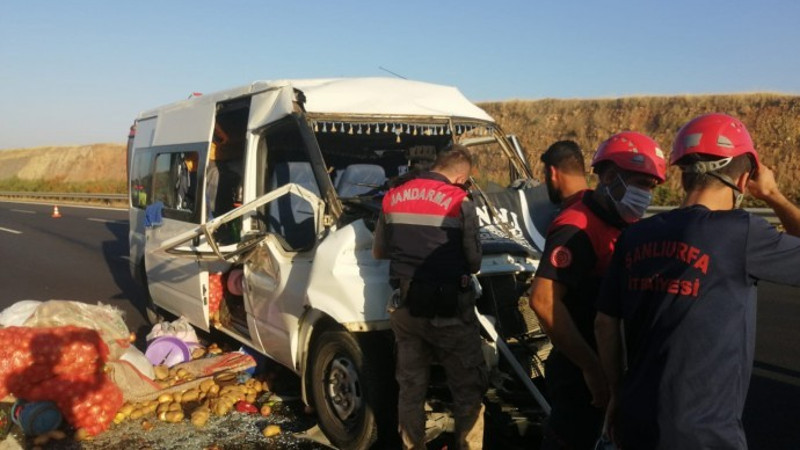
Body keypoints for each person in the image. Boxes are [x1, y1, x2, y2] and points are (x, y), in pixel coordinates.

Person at [595, 113, 800, 449]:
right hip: (704, 434)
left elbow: (605, 324)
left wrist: (618, 393)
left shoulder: (634, 236)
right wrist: (773, 195)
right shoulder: (742, 234)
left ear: (683, 176)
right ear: (744, 179)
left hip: (635, 421)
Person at [529, 131, 667, 449]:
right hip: (583, 380)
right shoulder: (577, 226)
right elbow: (543, 299)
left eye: (650, 186)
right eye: (639, 183)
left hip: (615, 373)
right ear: (607, 176)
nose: (645, 194)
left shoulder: (623, 224)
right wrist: (592, 369)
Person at [373, 144, 486, 449]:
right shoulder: (460, 201)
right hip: (450, 312)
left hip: (407, 308)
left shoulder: (392, 196)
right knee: (467, 391)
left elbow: (379, 251)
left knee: (411, 389)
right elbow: (474, 261)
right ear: (461, 177)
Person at [540, 140, 589, 206]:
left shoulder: (570, 212)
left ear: (553, 173)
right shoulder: (600, 203)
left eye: (545, 173)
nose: (545, 181)